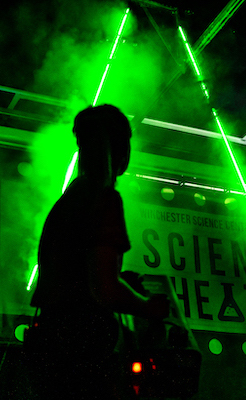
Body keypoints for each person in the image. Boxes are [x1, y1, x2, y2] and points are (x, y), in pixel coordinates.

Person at [25, 105, 169, 399]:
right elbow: (104, 288)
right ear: (122, 151)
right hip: (84, 352)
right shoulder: (105, 200)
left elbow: (80, 272)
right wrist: (148, 306)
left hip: (50, 348)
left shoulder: (69, 200)